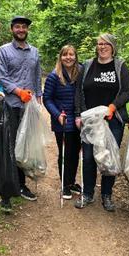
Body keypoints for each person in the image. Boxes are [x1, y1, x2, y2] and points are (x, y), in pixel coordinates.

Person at [74, 33, 129, 211]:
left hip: (112, 120)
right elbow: (79, 91)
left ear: (112, 47)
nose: (102, 47)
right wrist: (79, 115)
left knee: (109, 157)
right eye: (99, 44)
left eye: (106, 44)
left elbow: (127, 91)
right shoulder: (88, 66)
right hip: (91, 120)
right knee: (89, 157)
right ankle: (88, 193)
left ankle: (107, 195)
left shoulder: (120, 66)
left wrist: (113, 107)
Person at [0, 16, 42, 212]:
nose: (21, 29)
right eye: (17, 26)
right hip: (11, 105)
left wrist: (38, 98)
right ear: (12, 29)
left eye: (24, 27)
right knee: (10, 147)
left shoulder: (35, 52)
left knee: (24, 147)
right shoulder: (4, 51)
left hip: (29, 107)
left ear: (27, 30)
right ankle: (6, 193)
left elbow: (37, 75)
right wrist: (17, 91)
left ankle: (21, 185)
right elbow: (2, 77)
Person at [43, 45, 82, 200]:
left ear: (75, 56)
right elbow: (47, 99)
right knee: (65, 153)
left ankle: (71, 182)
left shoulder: (80, 72)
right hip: (63, 120)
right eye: (65, 55)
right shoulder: (54, 76)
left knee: (75, 152)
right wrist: (57, 114)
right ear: (60, 57)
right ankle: (64, 184)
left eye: (71, 54)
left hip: (78, 119)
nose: (68, 57)